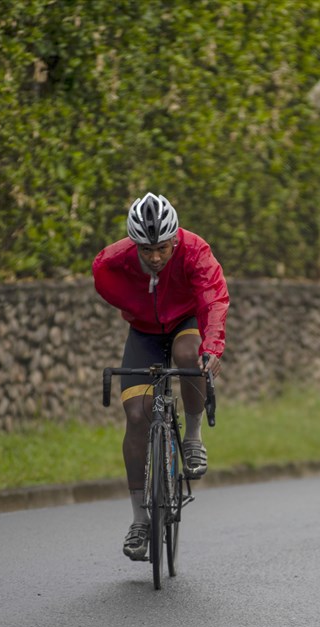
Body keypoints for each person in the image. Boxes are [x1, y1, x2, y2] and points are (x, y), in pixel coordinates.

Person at [92, 192, 229, 560]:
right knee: (137, 415)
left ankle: (194, 437)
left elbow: (214, 299)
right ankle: (139, 521)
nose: (154, 258)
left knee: (188, 356)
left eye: (162, 249)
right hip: (144, 332)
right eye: (146, 250)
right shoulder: (112, 263)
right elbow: (106, 282)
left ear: (175, 239)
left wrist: (211, 349)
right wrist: (139, 308)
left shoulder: (196, 251)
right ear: (134, 244)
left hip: (185, 322)